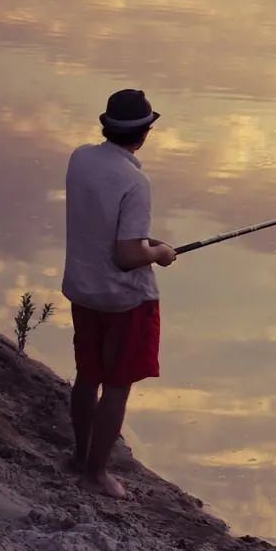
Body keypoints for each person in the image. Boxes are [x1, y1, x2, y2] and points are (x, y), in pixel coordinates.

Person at [61, 89, 177, 498]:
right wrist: (160, 253)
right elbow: (129, 256)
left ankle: (79, 457)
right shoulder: (135, 181)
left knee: (87, 375)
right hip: (123, 299)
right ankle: (96, 474)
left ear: (106, 125)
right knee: (116, 384)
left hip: (82, 288)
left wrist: (145, 242)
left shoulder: (80, 158)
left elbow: (105, 224)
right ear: (144, 133)